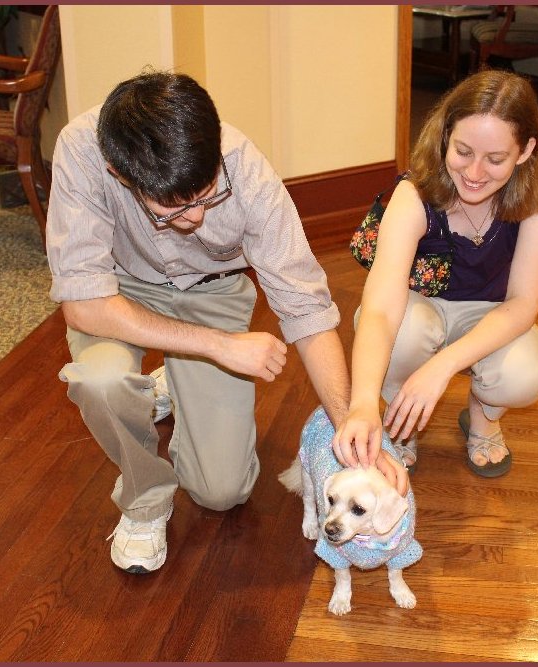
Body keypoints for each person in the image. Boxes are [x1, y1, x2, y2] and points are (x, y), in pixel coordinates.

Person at [46, 70, 407, 575]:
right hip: (118, 292)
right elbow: (84, 306)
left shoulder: (248, 173)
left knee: (223, 492)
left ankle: (173, 379)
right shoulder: (83, 153)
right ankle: (145, 500)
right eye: (171, 209)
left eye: (207, 194)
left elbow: (306, 309)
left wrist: (350, 422)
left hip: (210, 291)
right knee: (100, 381)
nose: (195, 217)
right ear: (120, 174)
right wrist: (218, 345)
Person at [335, 70, 538, 478]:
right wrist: (362, 403)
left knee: (528, 373)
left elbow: (524, 301)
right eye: (463, 151)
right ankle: (402, 416)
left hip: (492, 310)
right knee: (404, 334)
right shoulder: (413, 194)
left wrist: (441, 368)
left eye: (495, 159)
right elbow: (381, 310)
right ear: (445, 136)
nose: (474, 173)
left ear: (526, 150)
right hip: (419, 308)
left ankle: (484, 415)